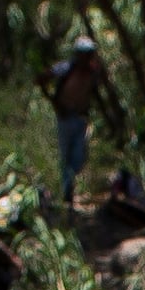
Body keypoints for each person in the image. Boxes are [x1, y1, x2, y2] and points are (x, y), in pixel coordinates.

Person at [47, 33, 108, 203]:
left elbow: (95, 93)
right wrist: (55, 103)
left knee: (79, 157)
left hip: (81, 118)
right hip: (65, 118)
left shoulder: (93, 72)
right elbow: (43, 78)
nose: (87, 57)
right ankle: (67, 192)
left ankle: (68, 185)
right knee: (65, 155)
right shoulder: (66, 69)